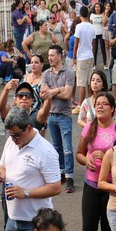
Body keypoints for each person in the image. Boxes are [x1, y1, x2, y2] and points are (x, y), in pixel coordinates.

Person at [74, 93, 116, 231]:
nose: (99, 106)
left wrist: (107, 155)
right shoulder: (90, 127)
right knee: (88, 229)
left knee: (108, 229)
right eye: (97, 104)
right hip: (91, 185)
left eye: (104, 104)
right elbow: (79, 154)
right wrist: (87, 160)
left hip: (110, 187)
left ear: (113, 109)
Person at [42, 45, 76, 193]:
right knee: (57, 147)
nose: (49, 58)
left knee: (67, 149)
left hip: (64, 115)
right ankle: (61, 172)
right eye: (48, 55)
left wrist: (53, 91)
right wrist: (60, 89)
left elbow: (67, 95)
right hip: (51, 115)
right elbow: (44, 93)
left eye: (52, 55)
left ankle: (70, 176)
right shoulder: (46, 73)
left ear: (59, 56)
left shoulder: (69, 73)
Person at [72, 7, 96, 110]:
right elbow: (94, 43)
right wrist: (93, 56)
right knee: (90, 82)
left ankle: (80, 105)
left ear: (80, 14)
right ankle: (91, 103)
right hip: (90, 55)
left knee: (81, 82)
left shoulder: (79, 26)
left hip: (81, 57)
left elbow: (76, 44)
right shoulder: (92, 26)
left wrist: (74, 58)